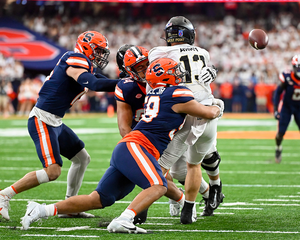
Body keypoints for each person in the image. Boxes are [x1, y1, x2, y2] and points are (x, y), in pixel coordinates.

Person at [20, 57, 222, 234]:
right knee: (158, 185)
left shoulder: (157, 93)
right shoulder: (177, 94)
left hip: (128, 149)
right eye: (175, 72)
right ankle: (124, 220)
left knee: (98, 199)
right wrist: (218, 105)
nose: (178, 74)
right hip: (138, 148)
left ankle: (40, 210)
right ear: (167, 77)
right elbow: (208, 113)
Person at [0, 31, 120, 221]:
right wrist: (127, 83)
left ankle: (69, 205)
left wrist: (127, 83)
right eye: (97, 51)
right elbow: (95, 84)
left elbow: (101, 81)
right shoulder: (75, 59)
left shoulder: (83, 64)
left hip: (55, 121)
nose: (100, 56)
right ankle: (3, 195)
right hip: (43, 119)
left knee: (82, 158)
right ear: (86, 47)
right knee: (53, 171)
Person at [148, 16, 225, 224]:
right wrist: (213, 69)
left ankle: (142, 207)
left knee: (160, 167)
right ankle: (191, 208)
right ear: (191, 34)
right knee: (194, 165)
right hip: (208, 109)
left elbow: (156, 76)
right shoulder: (203, 53)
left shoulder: (157, 52)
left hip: (183, 114)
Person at [273, 55, 300, 163]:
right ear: (293, 67)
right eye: (298, 67)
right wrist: (275, 110)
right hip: (287, 107)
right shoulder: (287, 76)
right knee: (281, 133)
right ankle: (278, 148)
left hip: (299, 108)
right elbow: (277, 92)